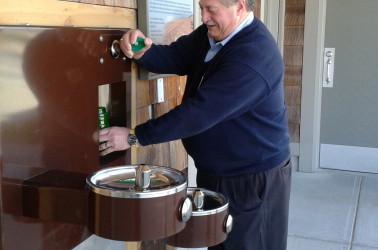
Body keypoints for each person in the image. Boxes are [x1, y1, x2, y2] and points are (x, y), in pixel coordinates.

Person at [99, 0, 291, 249]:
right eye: (201, 7)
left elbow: (197, 114)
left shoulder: (253, 57)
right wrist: (142, 52)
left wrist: (134, 136)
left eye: (211, 9)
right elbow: (177, 57)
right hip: (218, 170)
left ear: (240, 6)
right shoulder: (215, 33)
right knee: (219, 242)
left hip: (251, 178)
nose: (204, 17)